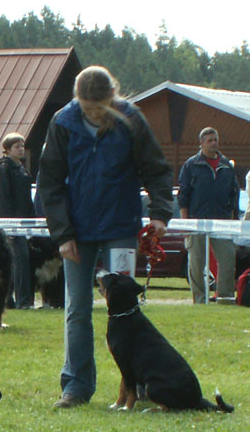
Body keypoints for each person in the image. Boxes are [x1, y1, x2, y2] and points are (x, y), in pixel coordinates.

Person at [38, 66, 173, 409]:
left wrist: (160, 213)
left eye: (100, 108)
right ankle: (76, 386)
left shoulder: (132, 120)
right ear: (77, 101)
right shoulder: (62, 124)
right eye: (88, 109)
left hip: (121, 227)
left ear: (113, 98)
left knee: (128, 310)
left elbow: (154, 167)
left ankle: (138, 385)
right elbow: (51, 182)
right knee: (77, 309)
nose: (95, 115)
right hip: (77, 231)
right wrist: (62, 234)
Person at [178, 127, 240, 304]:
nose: (214, 143)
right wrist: (185, 222)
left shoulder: (227, 165)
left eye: (215, 139)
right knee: (197, 263)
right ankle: (199, 299)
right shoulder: (191, 165)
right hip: (197, 221)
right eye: (210, 140)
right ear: (202, 143)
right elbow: (184, 195)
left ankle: (225, 298)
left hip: (222, 221)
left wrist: (234, 220)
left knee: (228, 260)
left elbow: (234, 193)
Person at [0, 132, 36, 309]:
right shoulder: (2, 169)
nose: (21, 149)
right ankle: (20, 301)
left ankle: (23, 300)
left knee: (23, 260)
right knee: (18, 259)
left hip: (24, 222)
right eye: (17, 146)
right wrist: (8, 223)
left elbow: (26, 199)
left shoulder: (22, 169)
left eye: (23, 146)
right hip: (10, 223)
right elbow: (1, 197)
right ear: (7, 149)